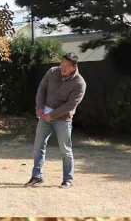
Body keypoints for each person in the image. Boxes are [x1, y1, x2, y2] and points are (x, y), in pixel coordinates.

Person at [26, 53, 86, 189]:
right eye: (62, 64)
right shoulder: (52, 72)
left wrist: (52, 115)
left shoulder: (79, 83)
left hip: (63, 120)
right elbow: (41, 89)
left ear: (74, 67)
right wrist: (39, 107)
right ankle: (36, 176)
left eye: (66, 66)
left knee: (65, 150)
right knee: (38, 146)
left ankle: (67, 180)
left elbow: (71, 104)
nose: (62, 68)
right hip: (44, 116)